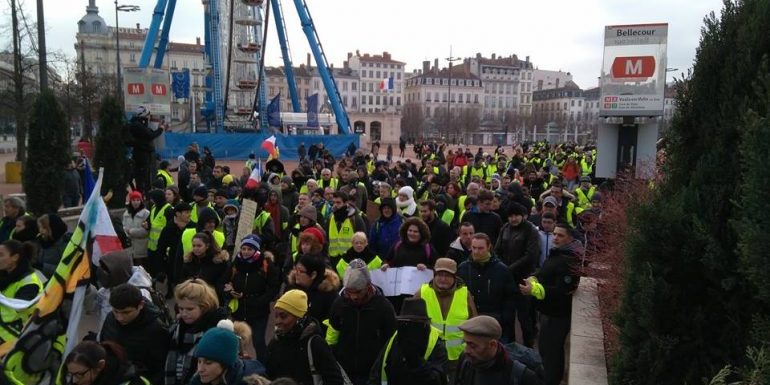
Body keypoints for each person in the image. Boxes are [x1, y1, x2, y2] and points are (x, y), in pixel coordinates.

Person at [519, 223, 582, 385]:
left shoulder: (569, 260)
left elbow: (562, 290)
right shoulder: (558, 254)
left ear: (570, 238)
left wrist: (534, 289)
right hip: (547, 313)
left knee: (552, 354)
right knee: (545, 352)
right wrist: (535, 277)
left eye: (560, 235)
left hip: (557, 316)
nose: (555, 238)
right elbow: (546, 273)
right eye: (554, 234)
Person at [326, 259, 396, 385]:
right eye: (349, 292)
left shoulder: (383, 307)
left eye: (358, 292)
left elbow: (392, 340)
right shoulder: (339, 304)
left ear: (368, 287)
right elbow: (332, 334)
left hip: (372, 373)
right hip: (344, 370)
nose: (353, 297)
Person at [266, 290, 345, 385]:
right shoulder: (275, 343)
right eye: (276, 316)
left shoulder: (315, 343)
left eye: (283, 316)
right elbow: (269, 377)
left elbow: (335, 379)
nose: (277, 321)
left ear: (298, 317)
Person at [413, 258, 478, 374]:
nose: (443, 279)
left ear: (455, 277)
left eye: (447, 275)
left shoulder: (465, 294)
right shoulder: (421, 293)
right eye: (439, 275)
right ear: (434, 275)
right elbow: (410, 326)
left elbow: (474, 325)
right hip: (429, 358)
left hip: (459, 359)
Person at [98, 283, 170, 385]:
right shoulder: (110, 318)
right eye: (115, 311)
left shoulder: (156, 330)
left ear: (140, 305)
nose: (119, 318)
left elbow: (161, 369)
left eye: (126, 312)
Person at [223, 235, 280, 361]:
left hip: (259, 312)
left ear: (257, 250)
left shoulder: (266, 265)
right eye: (243, 248)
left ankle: (264, 368)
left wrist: (259, 301)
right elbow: (224, 283)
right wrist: (229, 292)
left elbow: (273, 288)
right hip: (238, 311)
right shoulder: (235, 264)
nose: (246, 252)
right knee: (237, 342)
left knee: (258, 342)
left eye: (250, 249)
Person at [368, 297, 448, 385]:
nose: (409, 328)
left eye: (414, 323)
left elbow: (438, 380)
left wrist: (415, 360)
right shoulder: (394, 340)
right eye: (405, 323)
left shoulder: (436, 345)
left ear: (425, 324)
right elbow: (376, 374)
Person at [165, 279, 229, 385]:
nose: (184, 314)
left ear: (204, 307)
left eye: (189, 309)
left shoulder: (215, 332)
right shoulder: (177, 328)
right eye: (181, 308)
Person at [494, 202, 540, 347]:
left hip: (523, 278)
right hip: (507, 278)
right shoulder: (505, 228)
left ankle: (528, 346)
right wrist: (502, 267)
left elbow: (531, 255)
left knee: (524, 317)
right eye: (510, 216)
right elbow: (497, 249)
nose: (513, 219)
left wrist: (509, 268)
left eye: (516, 216)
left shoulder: (530, 230)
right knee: (507, 316)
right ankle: (511, 346)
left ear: (523, 216)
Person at [456, 233, 515, 342]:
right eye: (474, 248)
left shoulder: (502, 270)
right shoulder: (463, 268)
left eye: (480, 248)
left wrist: (505, 320)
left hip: (493, 322)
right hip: (470, 321)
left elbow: (509, 299)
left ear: (489, 247)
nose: (476, 252)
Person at [454, 316, 541, 385]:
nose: (466, 350)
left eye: (473, 346)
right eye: (465, 343)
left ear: (492, 344)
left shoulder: (520, 375)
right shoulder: (465, 361)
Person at [381, 217, 436, 313]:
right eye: (410, 230)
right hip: (397, 294)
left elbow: (436, 268)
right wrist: (386, 265)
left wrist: (427, 268)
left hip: (418, 295)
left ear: (421, 233)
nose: (412, 233)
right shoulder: (398, 245)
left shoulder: (428, 248)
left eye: (416, 231)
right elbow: (387, 260)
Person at [188, 320, 267, 385]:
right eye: (199, 361)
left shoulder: (250, 381)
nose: (200, 369)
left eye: (208, 363)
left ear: (225, 364)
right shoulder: (197, 380)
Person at [0, 240, 43, 353]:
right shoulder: (6, 275)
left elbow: (15, 312)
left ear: (15, 257)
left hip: (16, 338)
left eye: (1, 255)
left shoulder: (29, 283)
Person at [286, 254, 340, 329]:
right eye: (296, 269)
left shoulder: (329, 296)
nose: (296, 273)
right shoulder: (292, 289)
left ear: (313, 275)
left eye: (300, 271)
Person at [59, 341, 149, 385]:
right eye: (70, 374)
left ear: (100, 365)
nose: (74, 381)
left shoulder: (134, 382)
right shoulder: (69, 372)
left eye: (79, 375)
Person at [325, 192, 367, 259]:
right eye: (334, 202)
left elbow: (363, 239)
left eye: (338, 202)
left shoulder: (355, 219)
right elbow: (327, 237)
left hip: (350, 258)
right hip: (333, 257)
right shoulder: (331, 218)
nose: (335, 205)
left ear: (346, 203)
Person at [122, 191, 150, 265]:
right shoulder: (126, 213)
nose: (136, 202)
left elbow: (145, 231)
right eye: (133, 200)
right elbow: (123, 226)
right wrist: (126, 231)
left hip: (141, 248)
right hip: (129, 247)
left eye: (138, 200)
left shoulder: (146, 213)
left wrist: (130, 231)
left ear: (141, 201)